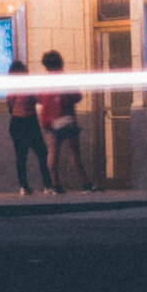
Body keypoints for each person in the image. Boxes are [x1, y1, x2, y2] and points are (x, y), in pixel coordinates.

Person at [40, 49, 92, 192]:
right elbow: (77, 96)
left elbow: (39, 98)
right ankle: (85, 183)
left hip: (49, 122)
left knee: (52, 153)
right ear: (60, 62)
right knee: (74, 153)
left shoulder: (42, 82)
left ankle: (55, 185)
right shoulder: (65, 79)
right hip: (67, 120)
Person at [7, 59, 53, 194]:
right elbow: (40, 100)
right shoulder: (29, 87)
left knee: (21, 157)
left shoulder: (11, 90)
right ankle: (48, 186)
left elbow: (10, 108)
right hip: (29, 121)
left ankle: (24, 187)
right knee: (42, 153)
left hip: (16, 122)